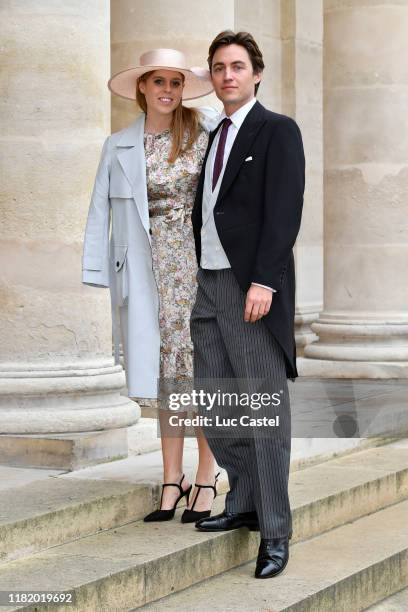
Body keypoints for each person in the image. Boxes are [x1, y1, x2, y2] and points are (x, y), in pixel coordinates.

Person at [82, 49, 221, 524]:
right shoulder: (118, 144)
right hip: (145, 268)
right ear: (141, 87)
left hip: (197, 266)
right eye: (158, 81)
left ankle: (206, 473)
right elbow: (100, 209)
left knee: (198, 368)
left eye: (175, 82)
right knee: (169, 376)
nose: (166, 90)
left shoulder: (204, 132)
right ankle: (170, 478)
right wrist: (97, 270)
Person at [190, 31, 305, 578]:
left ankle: (275, 532)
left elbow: (284, 212)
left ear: (256, 73)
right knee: (214, 402)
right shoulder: (213, 135)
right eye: (218, 68)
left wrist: (265, 281)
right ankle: (243, 502)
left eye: (237, 66)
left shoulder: (277, 130)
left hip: (250, 288)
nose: (227, 75)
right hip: (208, 284)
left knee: (263, 412)